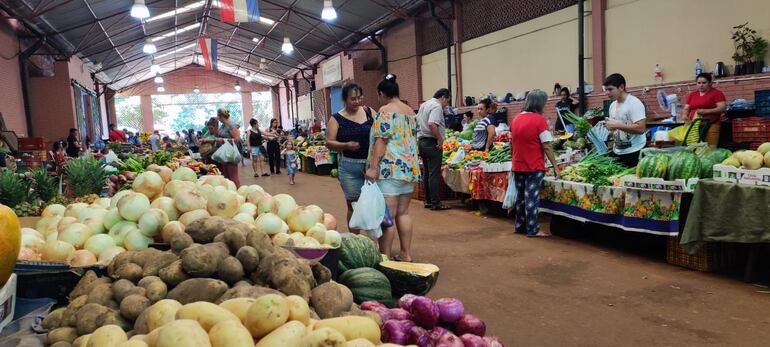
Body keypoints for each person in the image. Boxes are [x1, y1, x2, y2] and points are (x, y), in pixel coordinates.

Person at [365, 74, 420, 262]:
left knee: (387, 216)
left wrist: (373, 168)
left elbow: (382, 140)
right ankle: (406, 253)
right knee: (403, 213)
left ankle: (384, 258)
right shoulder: (410, 112)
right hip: (408, 170)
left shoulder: (385, 110)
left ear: (382, 93)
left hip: (390, 170)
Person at [509, 90, 560, 238]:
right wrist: (555, 167)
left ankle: (519, 226)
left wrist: (513, 161)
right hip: (534, 165)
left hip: (518, 164)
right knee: (531, 197)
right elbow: (547, 146)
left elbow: (512, 143)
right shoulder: (539, 120)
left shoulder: (516, 119)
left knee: (521, 197)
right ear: (540, 104)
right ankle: (533, 229)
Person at [326, 83, 375, 233]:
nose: (357, 101)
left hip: (371, 166)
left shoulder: (368, 112)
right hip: (349, 168)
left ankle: (376, 240)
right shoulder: (336, 119)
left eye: (359, 97)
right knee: (353, 204)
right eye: (353, 99)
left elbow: (382, 130)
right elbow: (329, 142)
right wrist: (345, 145)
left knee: (373, 204)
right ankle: (356, 240)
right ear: (345, 99)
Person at [417, 88, 452, 211]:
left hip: (422, 142)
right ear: (443, 97)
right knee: (434, 174)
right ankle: (436, 203)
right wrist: (439, 139)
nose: (446, 105)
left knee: (427, 173)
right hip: (432, 143)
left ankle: (428, 200)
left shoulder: (424, 104)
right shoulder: (436, 106)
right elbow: (432, 123)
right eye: (447, 101)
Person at [603, 73, 647, 167]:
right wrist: (607, 130)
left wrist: (616, 125)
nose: (607, 93)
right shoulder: (612, 105)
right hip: (618, 152)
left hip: (635, 151)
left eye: (610, 89)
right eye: (605, 89)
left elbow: (641, 128)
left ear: (621, 87)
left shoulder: (634, 103)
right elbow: (616, 130)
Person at [682, 73, 727, 147]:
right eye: (699, 83)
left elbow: (722, 108)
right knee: (692, 146)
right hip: (694, 125)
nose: (701, 85)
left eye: (704, 83)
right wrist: (684, 115)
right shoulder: (692, 95)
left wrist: (706, 111)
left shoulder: (717, 93)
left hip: (712, 124)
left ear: (710, 83)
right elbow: (686, 108)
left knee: (710, 147)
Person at [213, 108, 242, 187]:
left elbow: (237, 139)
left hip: (231, 152)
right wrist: (215, 124)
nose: (217, 118)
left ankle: (239, 193)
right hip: (225, 153)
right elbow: (216, 135)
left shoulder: (231, 125)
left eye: (218, 116)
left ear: (220, 116)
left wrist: (223, 140)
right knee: (227, 176)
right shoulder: (223, 125)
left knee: (233, 176)